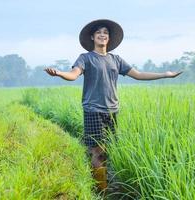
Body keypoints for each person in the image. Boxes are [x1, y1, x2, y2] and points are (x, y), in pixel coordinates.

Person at [44, 19, 182, 193]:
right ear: (93, 37)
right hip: (93, 110)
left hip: (112, 110)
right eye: (99, 33)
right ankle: (101, 191)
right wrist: (59, 73)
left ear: (108, 38)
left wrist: (165, 74)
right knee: (98, 151)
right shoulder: (85, 58)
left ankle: (101, 182)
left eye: (106, 33)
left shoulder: (116, 59)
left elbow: (138, 75)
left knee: (108, 150)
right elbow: (73, 75)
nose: (103, 35)